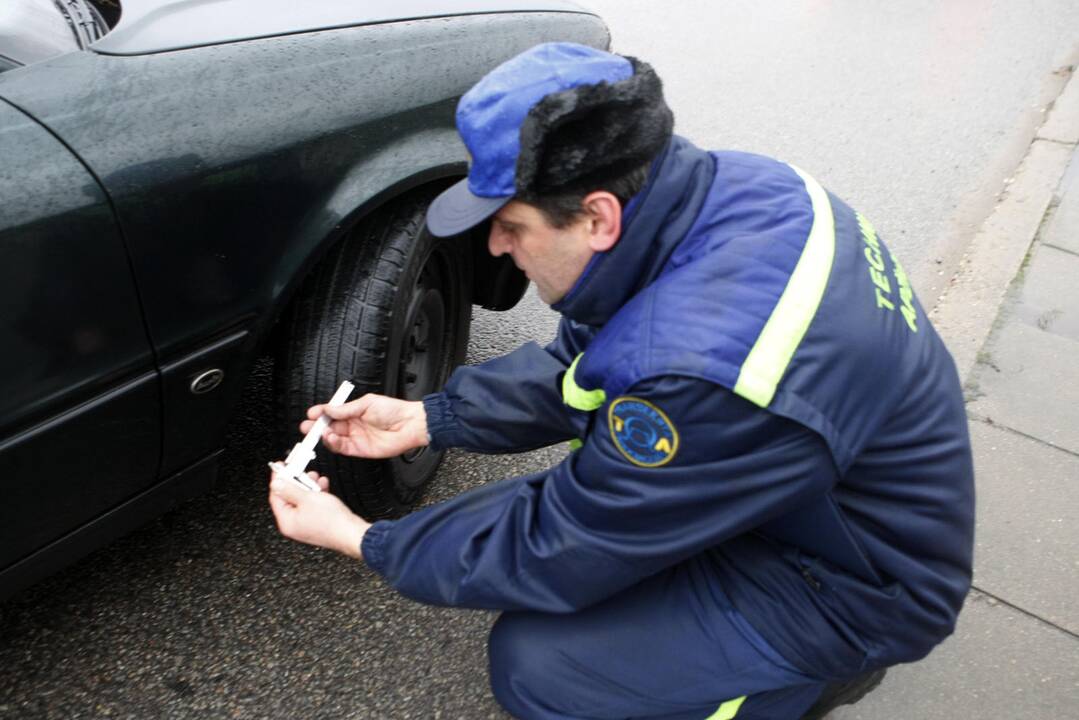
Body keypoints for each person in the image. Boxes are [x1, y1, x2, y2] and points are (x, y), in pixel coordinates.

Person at [268, 42, 975, 720]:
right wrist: (433, 418)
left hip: (851, 582)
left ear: (598, 217)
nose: (494, 246)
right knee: (550, 526)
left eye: (512, 225)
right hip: (791, 492)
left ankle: (800, 684)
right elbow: (585, 366)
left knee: (537, 666)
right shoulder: (732, 192)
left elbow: (561, 543)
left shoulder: (706, 371)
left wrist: (363, 538)